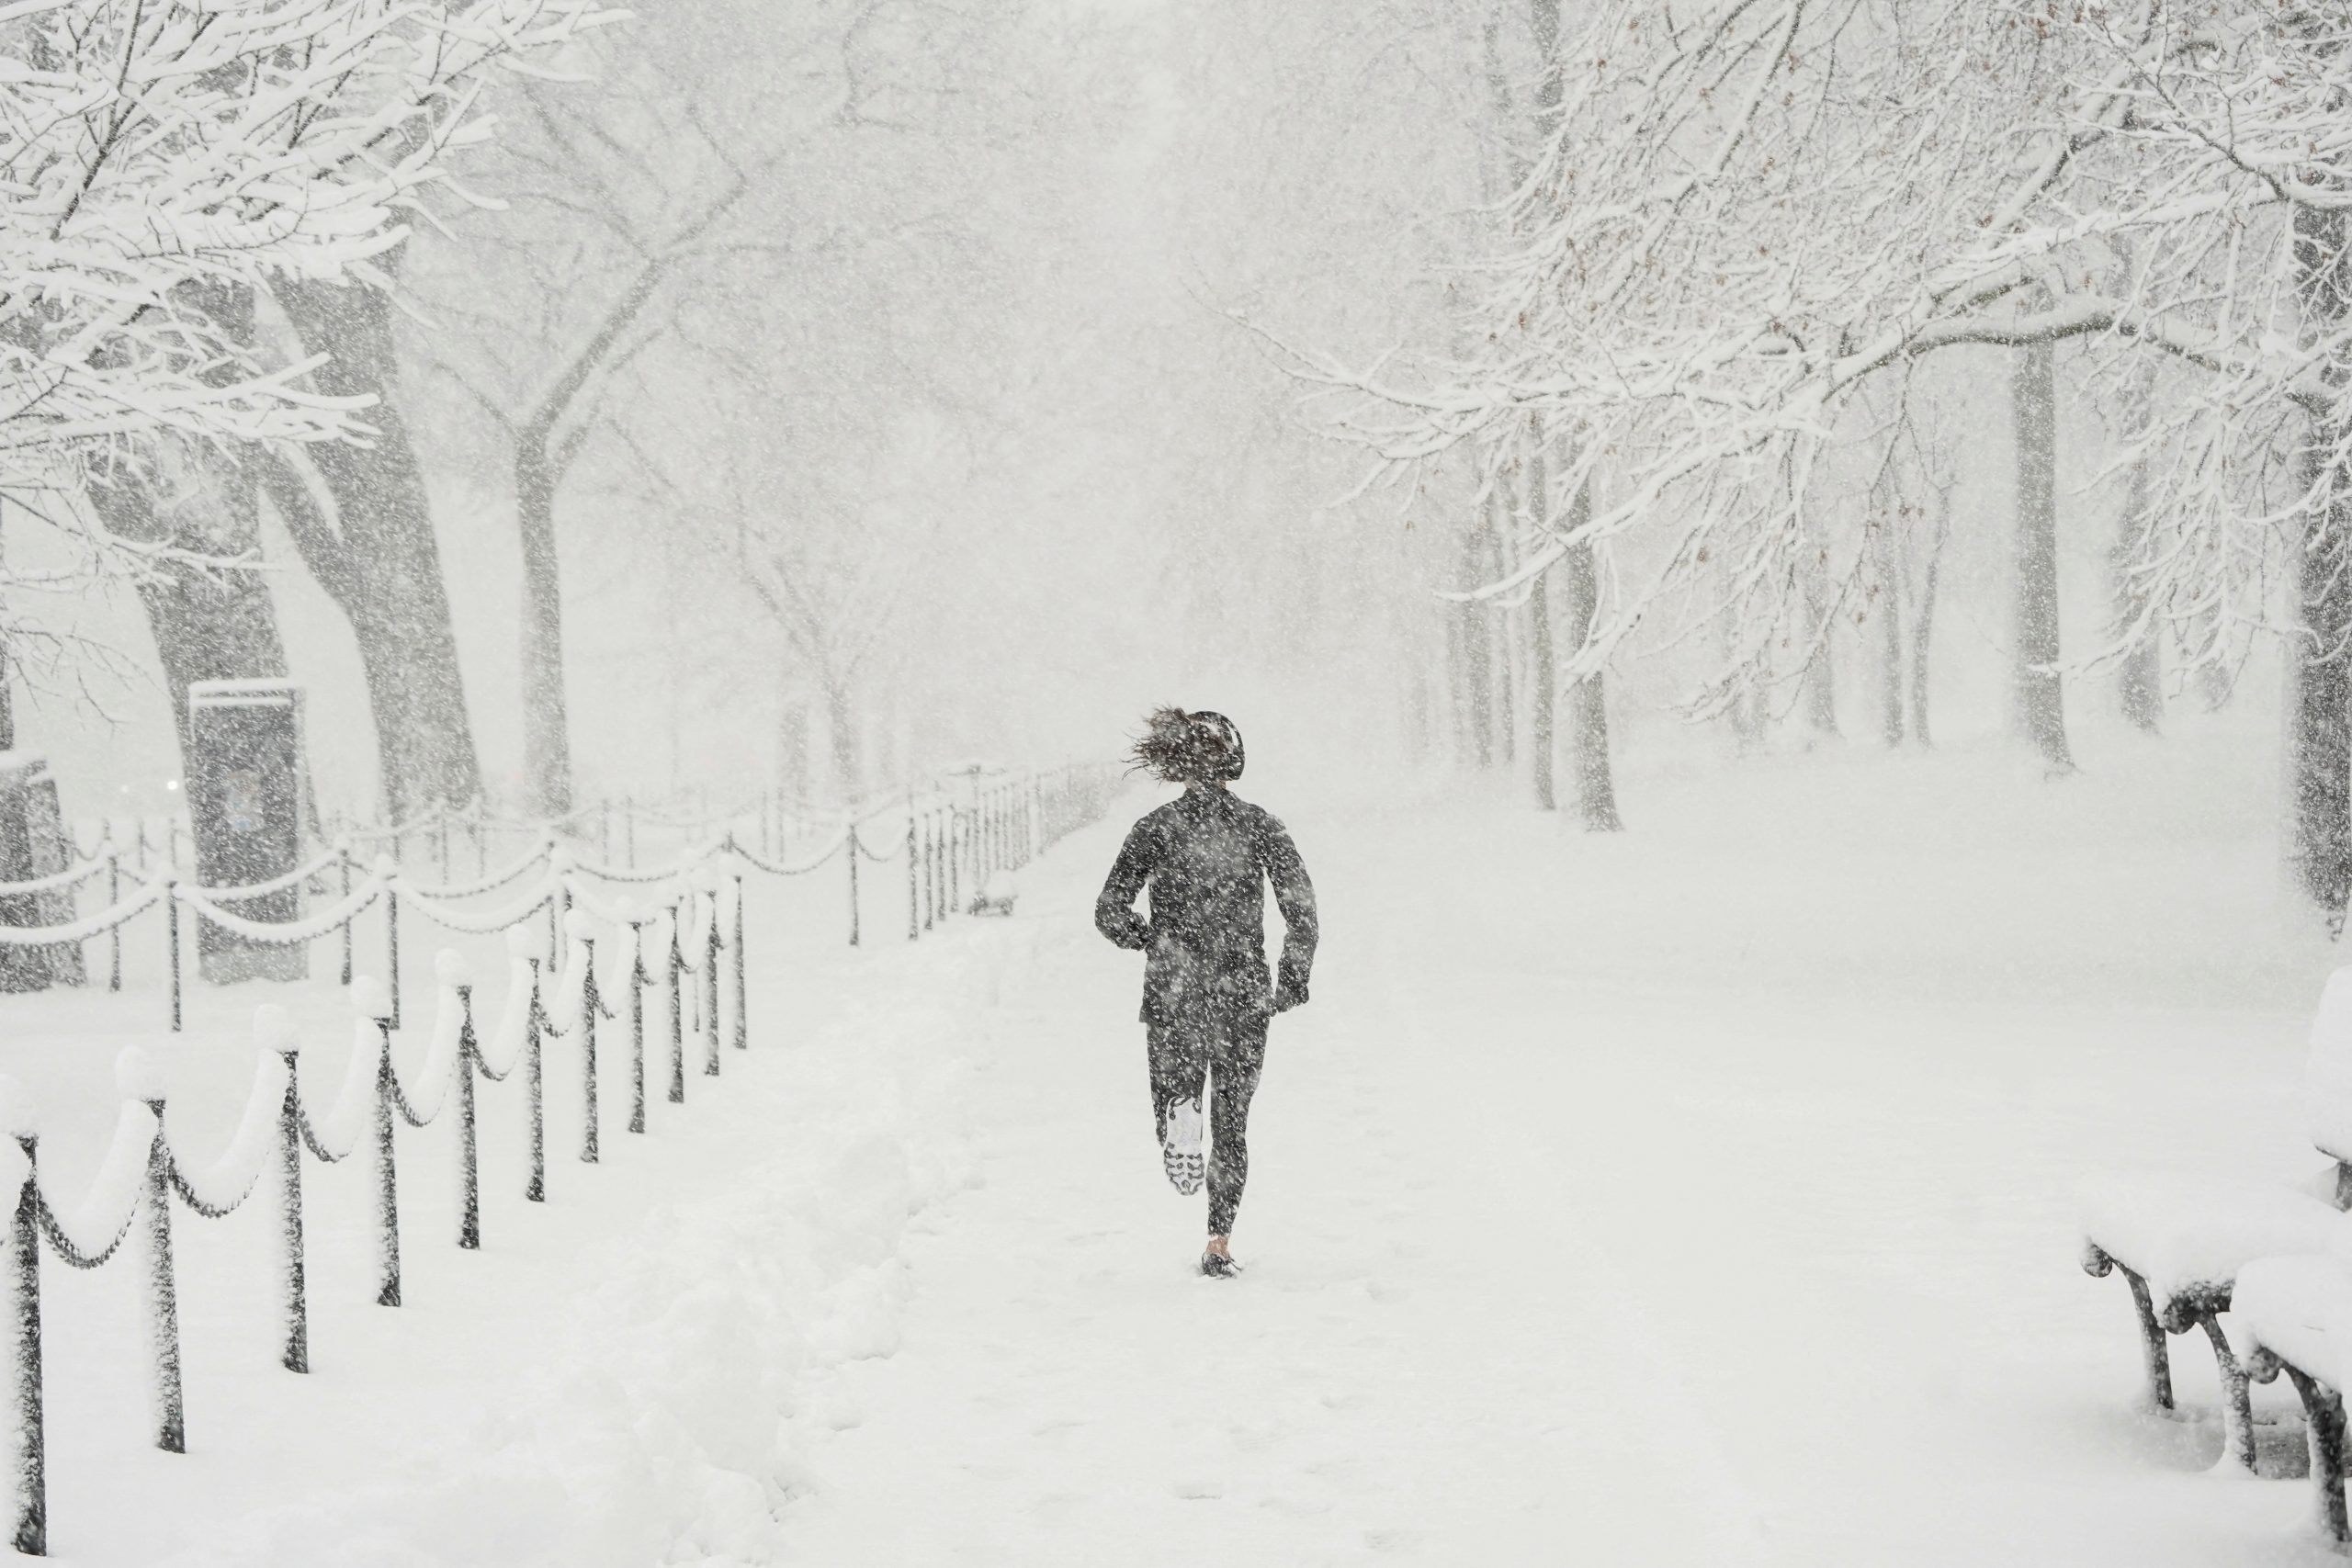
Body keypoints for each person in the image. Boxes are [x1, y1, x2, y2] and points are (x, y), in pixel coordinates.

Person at [1094, 707, 1317, 1278]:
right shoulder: (1261, 826)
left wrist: (1151, 938)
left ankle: (1178, 1114)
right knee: (1235, 1119)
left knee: (1174, 1096)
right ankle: (1219, 1241)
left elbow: (1109, 911)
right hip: (1242, 988)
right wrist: (1291, 980)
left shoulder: (1154, 829)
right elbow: (1301, 911)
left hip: (1175, 987)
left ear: (1175, 764)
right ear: (1233, 763)